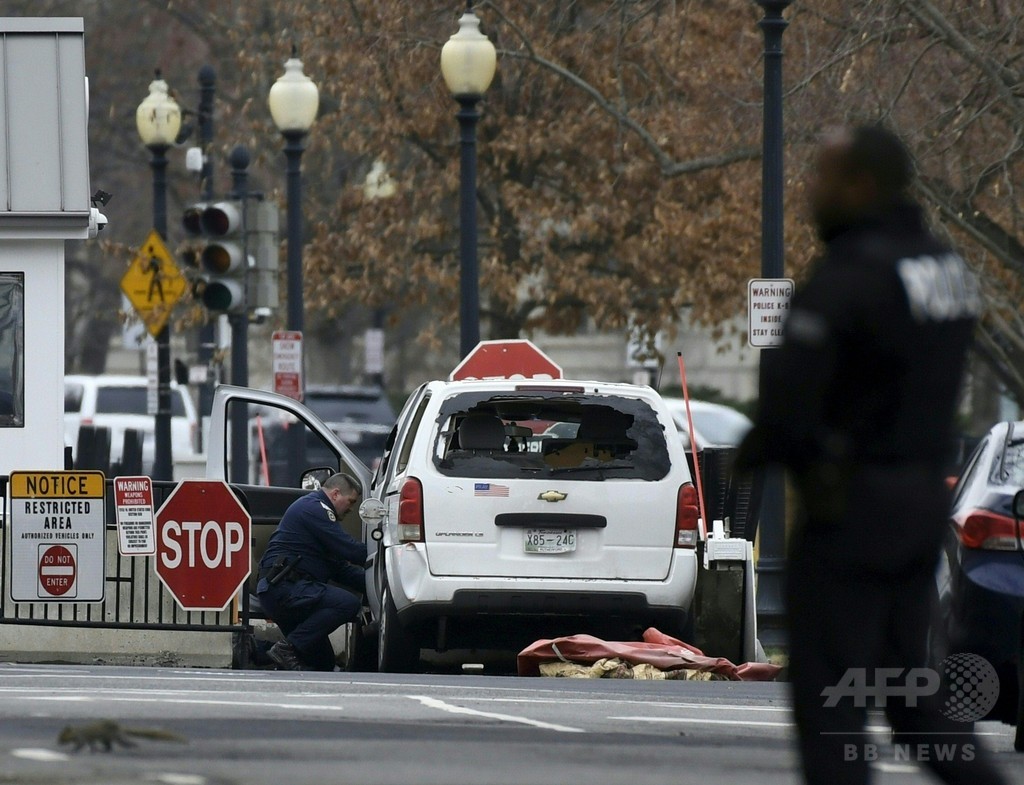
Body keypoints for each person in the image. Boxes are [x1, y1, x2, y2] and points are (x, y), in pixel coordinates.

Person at [735, 125, 1007, 785]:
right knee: (917, 702)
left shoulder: (850, 276)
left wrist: (762, 450)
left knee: (832, 708)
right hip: (919, 510)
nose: (809, 191)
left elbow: (790, 401)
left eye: (822, 177)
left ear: (861, 185)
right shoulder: (945, 270)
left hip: (849, 512)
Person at [256, 472, 366, 671]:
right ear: (335, 494)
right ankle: (285, 648)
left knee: (323, 664)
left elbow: (340, 569)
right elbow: (349, 549)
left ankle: (265, 655)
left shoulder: (316, 513)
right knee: (347, 603)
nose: (350, 508)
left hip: (292, 592)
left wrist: (378, 581)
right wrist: (383, 555)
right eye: (350, 502)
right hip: (284, 590)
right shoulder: (314, 508)